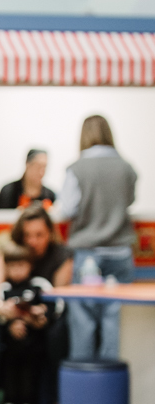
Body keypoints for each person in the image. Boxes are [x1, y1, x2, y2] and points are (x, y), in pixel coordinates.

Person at [0, 202, 72, 404]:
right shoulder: (9, 251)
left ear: (50, 233)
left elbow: (59, 300)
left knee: (62, 327)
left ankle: (55, 398)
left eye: (39, 235)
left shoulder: (62, 256)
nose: (33, 241)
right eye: (28, 235)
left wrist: (39, 317)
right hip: (10, 317)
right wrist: (8, 313)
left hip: (43, 319)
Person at [58, 115, 138, 361]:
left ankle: (85, 384)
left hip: (88, 253)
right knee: (116, 319)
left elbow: (66, 209)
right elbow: (130, 200)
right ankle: (114, 383)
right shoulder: (127, 167)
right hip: (121, 252)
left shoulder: (77, 168)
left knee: (84, 319)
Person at [0, 241, 59, 404]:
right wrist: (11, 322)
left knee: (31, 372)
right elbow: (0, 314)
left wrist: (39, 313)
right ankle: (10, 402)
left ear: (30, 265)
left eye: (21, 265)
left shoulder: (38, 285)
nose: (17, 270)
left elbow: (55, 306)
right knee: (10, 371)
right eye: (13, 266)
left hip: (34, 344)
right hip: (11, 344)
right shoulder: (4, 289)